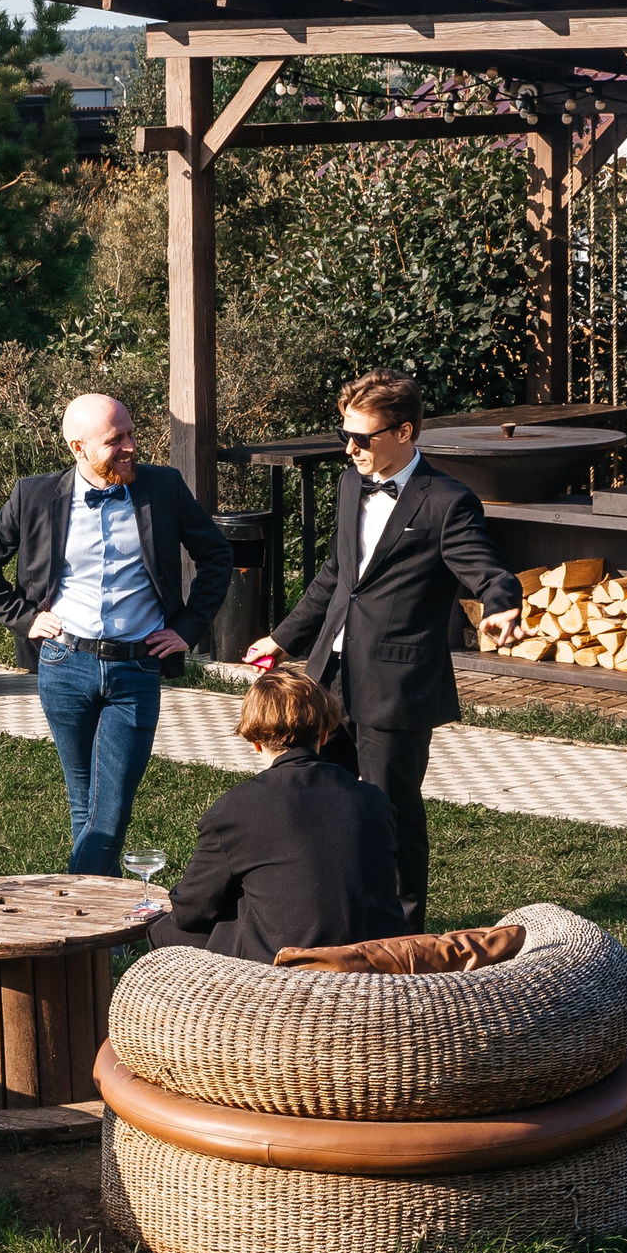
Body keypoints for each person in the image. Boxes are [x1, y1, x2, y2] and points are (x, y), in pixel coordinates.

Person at [244, 368, 524, 929]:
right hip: (329, 677)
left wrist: (500, 603)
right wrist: (283, 637)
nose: (350, 449)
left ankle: (401, 931)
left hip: (396, 686)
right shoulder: (351, 484)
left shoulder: (447, 503)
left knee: (389, 812)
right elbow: (335, 575)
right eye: (345, 434)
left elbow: (486, 568)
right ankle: (337, 911)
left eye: (363, 437)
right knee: (320, 797)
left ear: (405, 432)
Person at [0, 394, 232, 876]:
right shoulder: (35, 495)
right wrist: (23, 617)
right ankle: (101, 938)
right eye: (115, 440)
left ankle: (74, 914)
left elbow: (217, 557)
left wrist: (188, 628)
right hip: (64, 666)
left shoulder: (163, 488)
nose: (130, 446)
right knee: (83, 802)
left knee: (110, 810)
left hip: (137, 666)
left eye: (130, 434)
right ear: (77, 447)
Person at [160, 670, 406, 963]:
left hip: (285, 975)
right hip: (376, 966)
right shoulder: (374, 799)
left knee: (164, 931)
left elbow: (190, 911)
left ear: (254, 741)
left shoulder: (237, 808)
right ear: (325, 734)